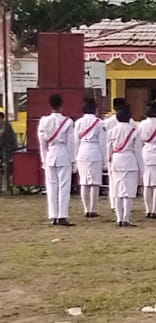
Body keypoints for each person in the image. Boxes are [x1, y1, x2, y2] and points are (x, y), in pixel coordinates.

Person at [37, 93, 76, 226]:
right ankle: (62, 215)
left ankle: (53, 215)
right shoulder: (68, 122)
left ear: (50, 105)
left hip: (50, 154)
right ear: (61, 105)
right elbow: (71, 143)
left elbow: (42, 143)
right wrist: (73, 160)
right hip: (63, 153)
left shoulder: (43, 121)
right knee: (64, 186)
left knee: (51, 186)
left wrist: (43, 159)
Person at [105, 104, 141, 227]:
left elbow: (108, 149)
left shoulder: (112, 131)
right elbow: (138, 151)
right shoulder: (134, 131)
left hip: (116, 160)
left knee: (117, 191)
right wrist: (141, 167)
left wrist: (108, 162)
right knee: (128, 192)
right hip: (130, 160)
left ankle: (119, 218)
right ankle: (126, 218)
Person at [72, 98, 108, 219]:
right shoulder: (99, 123)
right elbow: (103, 143)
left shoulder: (78, 123)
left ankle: (86, 209)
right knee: (95, 183)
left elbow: (75, 141)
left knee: (84, 182)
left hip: (82, 151)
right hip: (95, 151)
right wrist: (105, 159)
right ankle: (93, 208)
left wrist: (75, 157)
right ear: (95, 109)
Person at [0, 105, 17, 195]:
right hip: (3, 147)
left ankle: (6, 184)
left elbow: (1, 134)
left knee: (6, 165)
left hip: (9, 148)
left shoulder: (6, 124)